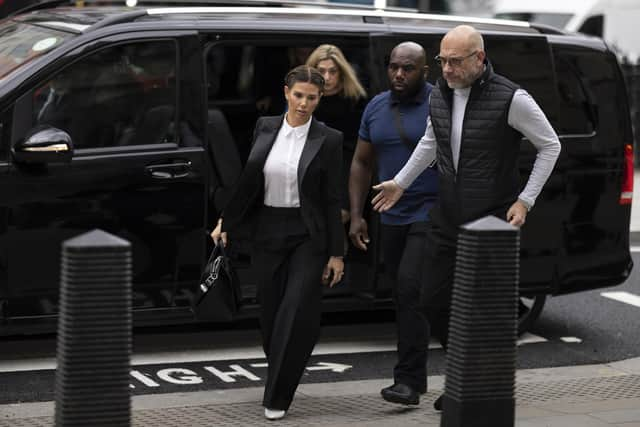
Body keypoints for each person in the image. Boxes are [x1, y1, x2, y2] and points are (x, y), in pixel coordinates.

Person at [371, 25, 562, 410]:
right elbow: (431, 141)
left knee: (480, 309)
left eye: (456, 61)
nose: (447, 69)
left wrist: (525, 201)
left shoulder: (511, 97)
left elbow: (550, 145)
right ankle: (467, 373)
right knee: (429, 299)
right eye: (443, 60)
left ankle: (468, 385)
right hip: (447, 214)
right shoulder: (440, 92)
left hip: (490, 222)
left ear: (479, 58)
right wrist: (401, 184)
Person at [210, 65, 344, 421]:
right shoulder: (265, 127)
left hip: (307, 235)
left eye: (311, 98)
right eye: (298, 95)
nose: (303, 103)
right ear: (286, 92)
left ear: (320, 99)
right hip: (267, 229)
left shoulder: (329, 139)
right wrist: (227, 221)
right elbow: (249, 182)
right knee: (270, 316)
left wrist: (336, 253)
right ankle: (284, 367)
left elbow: (332, 199)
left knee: (295, 309)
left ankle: (278, 396)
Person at [349, 41, 437, 406]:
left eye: (408, 68)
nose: (399, 74)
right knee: (407, 298)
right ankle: (450, 375)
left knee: (409, 288)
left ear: (424, 71)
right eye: (394, 67)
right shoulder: (376, 106)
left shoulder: (439, 104)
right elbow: (361, 163)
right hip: (390, 215)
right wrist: (357, 215)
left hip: (432, 212)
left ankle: (409, 382)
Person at [306, 44, 367, 230]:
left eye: (333, 71)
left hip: (345, 173)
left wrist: (348, 199)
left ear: (342, 72)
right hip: (310, 172)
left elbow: (358, 153)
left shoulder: (356, 100)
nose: (327, 77)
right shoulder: (304, 98)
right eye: (321, 71)